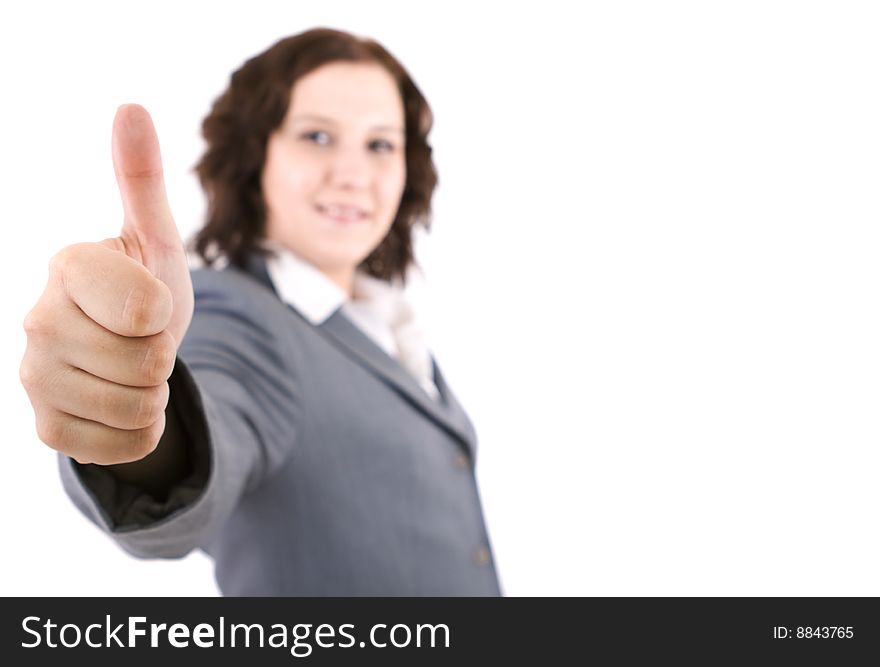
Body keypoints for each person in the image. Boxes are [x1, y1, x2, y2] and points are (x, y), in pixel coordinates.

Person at [19, 28, 501, 596]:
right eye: (317, 136)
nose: (352, 174)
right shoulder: (240, 317)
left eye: (380, 144)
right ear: (255, 156)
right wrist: (135, 417)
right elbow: (206, 438)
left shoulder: (382, 319)